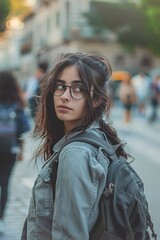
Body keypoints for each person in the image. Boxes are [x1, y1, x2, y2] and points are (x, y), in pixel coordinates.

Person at [21, 53, 128, 240]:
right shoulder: (98, 136)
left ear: (96, 100)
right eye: (60, 87)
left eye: (78, 89)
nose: (65, 96)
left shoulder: (75, 154)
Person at [0, 71, 30, 233]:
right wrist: (21, 150)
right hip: (9, 149)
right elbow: (24, 128)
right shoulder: (17, 103)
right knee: (4, 184)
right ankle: (0, 220)